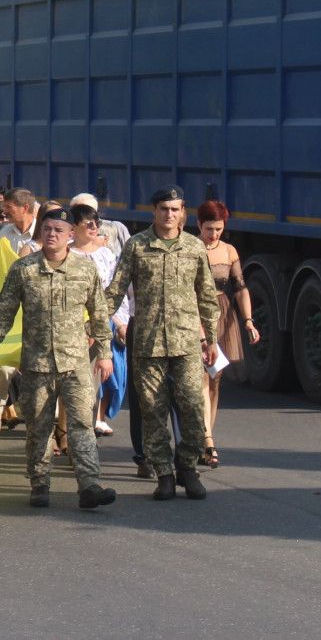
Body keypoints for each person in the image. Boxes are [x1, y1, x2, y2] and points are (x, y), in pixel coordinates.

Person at [0, 208, 116, 510]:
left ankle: (89, 485)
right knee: (39, 426)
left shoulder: (85, 270)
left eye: (59, 229)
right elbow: (4, 312)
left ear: (71, 235)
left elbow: (99, 314)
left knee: (82, 424)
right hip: (37, 364)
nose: (52, 234)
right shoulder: (24, 269)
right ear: (40, 233)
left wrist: (105, 355)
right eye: (47, 229)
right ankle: (40, 482)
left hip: (75, 363)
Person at [106, 186, 220, 501]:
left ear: (183, 211)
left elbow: (207, 296)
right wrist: (94, 321)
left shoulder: (194, 247)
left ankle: (187, 467)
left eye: (175, 209)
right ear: (154, 211)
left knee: (194, 410)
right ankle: (164, 474)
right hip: (148, 342)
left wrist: (211, 339)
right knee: (153, 413)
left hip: (186, 342)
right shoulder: (137, 246)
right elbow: (116, 290)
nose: (169, 215)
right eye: (163, 209)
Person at [196, 200, 258, 468]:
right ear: (199, 225)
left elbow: (240, 286)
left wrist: (248, 321)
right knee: (200, 377)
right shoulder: (190, 248)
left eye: (219, 229)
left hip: (223, 313)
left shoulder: (229, 251)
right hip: (196, 313)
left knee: (215, 378)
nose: (214, 234)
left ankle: (207, 433)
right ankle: (207, 440)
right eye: (209, 228)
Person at [70, 204, 129, 438]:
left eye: (96, 222)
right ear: (74, 227)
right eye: (88, 223)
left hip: (104, 321)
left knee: (104, 376)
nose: (94, 227)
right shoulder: (67, 254)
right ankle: (67, 432)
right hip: (74, 325)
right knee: (74, 381)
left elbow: (116, 290)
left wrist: (121, 320)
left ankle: (96, 419)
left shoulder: (106, 253)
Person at [0, 188, 38, 254]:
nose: (4, 212)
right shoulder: (3, 233)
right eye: (4, 207)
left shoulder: (42, 233)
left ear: (25, 208)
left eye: (8, 207)